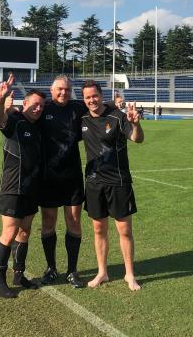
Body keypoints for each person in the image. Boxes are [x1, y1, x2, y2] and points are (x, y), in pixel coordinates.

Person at [81, 79, 144, 291]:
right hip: (93, 183)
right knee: (99, 229)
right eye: (88, 97)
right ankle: (102, 272)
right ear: (84, 99)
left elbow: (137, 139)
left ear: (101, 95)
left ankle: (129, 274)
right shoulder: (81, 118)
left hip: (118, 182)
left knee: (124, 230)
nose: (92, 100)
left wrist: (135, 123)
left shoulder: (117, 116)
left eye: (95, 96)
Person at [0, 73, 45, 298]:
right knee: (9, 232)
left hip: (31, 188)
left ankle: (19, 274)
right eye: (34, 105)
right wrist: (1, 99)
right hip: (12, 188)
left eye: (41, 106)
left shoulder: (38, 126)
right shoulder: (14, 121)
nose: (38, 109)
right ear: (24, 104)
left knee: (25, 231)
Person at [37, 75, 87, 288]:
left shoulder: (78, 108)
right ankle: (51, 268)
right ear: (51, 89)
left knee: (74, 221)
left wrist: (117, 103)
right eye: (59, 89)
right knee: (48, 221)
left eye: (66, 89)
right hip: (48, 177)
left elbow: (99, 105)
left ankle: (72, 270)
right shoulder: (43, 108)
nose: (63, 93)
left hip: (72, 176)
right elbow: (21, 115)